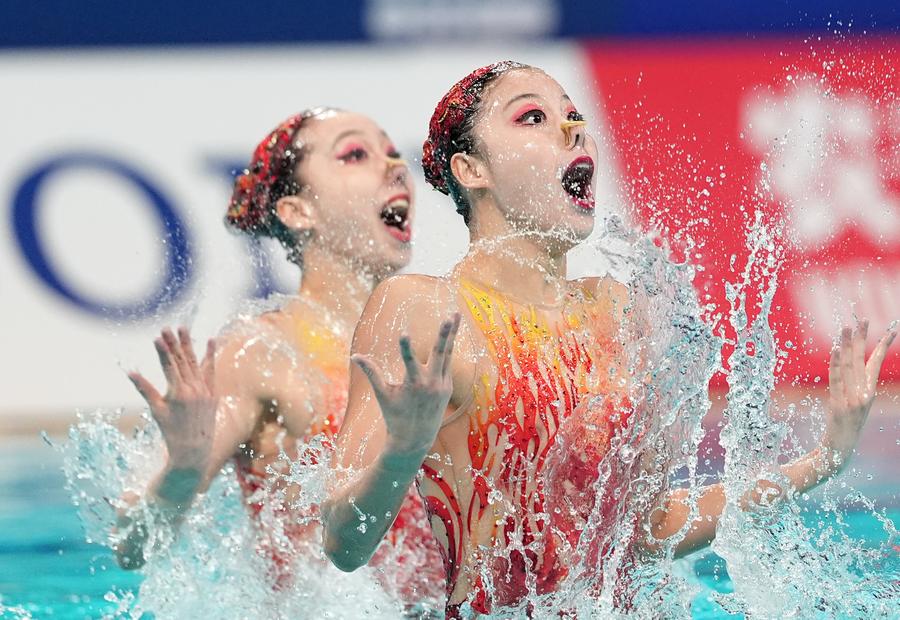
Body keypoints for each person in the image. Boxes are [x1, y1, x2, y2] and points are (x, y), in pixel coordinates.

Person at [322, 62, 897, 616]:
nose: (573, 127)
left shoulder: (615, 312)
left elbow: (650, 528)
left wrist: (823, 460)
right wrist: (401, 453)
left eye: (573, 114)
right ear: (473, 170)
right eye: (532, 117)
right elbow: (343, 544)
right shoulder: (424, 310)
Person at [115, 107, 444, 609]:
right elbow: (132, 546)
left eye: (393, 152)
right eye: (356, 154)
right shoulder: (264, 355)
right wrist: (182, 468)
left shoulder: (428, 342)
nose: (395, 166)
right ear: (297, 211)